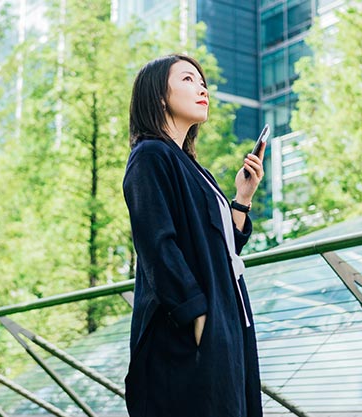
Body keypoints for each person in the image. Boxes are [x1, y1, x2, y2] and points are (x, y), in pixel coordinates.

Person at [122, 54, 264, 417]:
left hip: (227, 318)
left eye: (202, 82)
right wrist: (197, 316)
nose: (201, 88)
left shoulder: (195, 169)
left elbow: (221, 248)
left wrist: (242, 198)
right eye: (187, 79)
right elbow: (157, 245)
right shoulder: (151, 156)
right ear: (158, 96)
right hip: (189, 327)